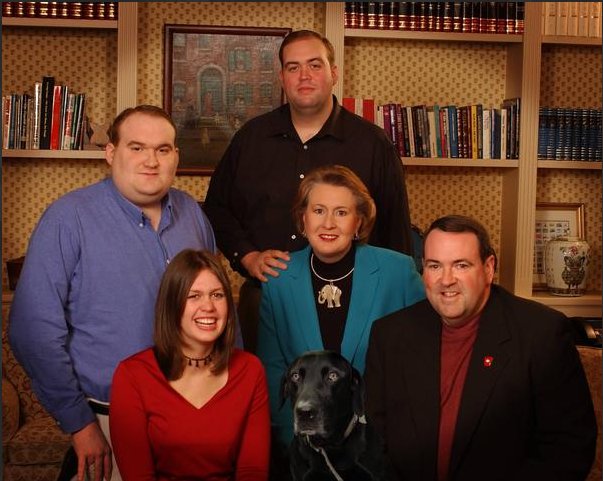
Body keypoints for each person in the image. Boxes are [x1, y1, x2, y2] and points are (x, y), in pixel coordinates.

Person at [9, 105, 216, 481]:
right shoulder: (68, 218)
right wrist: (80, 425)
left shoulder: (192, 214)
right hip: (106, 418)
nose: (151, 161)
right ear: (110, 153)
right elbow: (32, 331)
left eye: (163, 149)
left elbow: (218, 311)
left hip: (195, 411)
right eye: (136, 147)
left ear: (176, 157)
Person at [204, 29, 414, 353]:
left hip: (357, 304)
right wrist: (246, 255)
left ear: (334, 73)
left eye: (315, 65)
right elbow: (216, 208)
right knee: (268, 393)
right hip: (266, 298)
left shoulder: (373, 144)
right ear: (281, 77)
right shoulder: (251, 139)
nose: (304, 75)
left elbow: (396, 232)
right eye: (293, 67)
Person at [364, 215, 597, 481]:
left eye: (461, 265)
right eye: (434, 266)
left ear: (488, 268)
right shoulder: (390, 335)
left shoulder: (542, 334)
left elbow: (569, 448)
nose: (446, 279)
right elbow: (376, 441)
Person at [257, 165, 425, 451]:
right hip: (305, 445)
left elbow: (424, 357)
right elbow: (274, 373)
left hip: (380, 441)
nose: (328, 224)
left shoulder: (397, 271)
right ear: (303, 219)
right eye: (319, 210)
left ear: (358, 222)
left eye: (342, 212)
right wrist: (294, 442)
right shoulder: (279, 280)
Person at [110, 249, 270, 481]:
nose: (209, 307)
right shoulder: (132, 376)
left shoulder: (249, 370)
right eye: (193, 296)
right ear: (172, 304)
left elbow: (252, 473)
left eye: (217, 295)